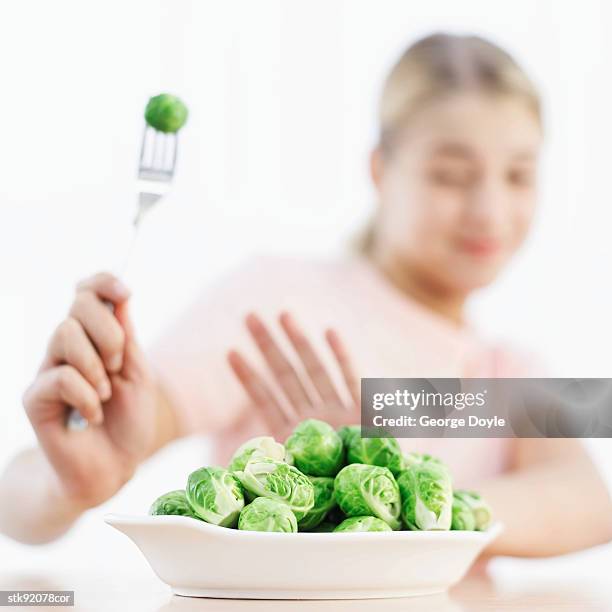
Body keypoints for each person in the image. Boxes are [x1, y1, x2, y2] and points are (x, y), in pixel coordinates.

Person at [1, 33, 610, 556]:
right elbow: (18, 498)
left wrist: (384, 482)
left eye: (519, 175)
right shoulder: (283, 303)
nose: (490, 209)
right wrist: (69, 487)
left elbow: (591, 503)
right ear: (380, 170)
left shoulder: (508, 370)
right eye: (450, 174)